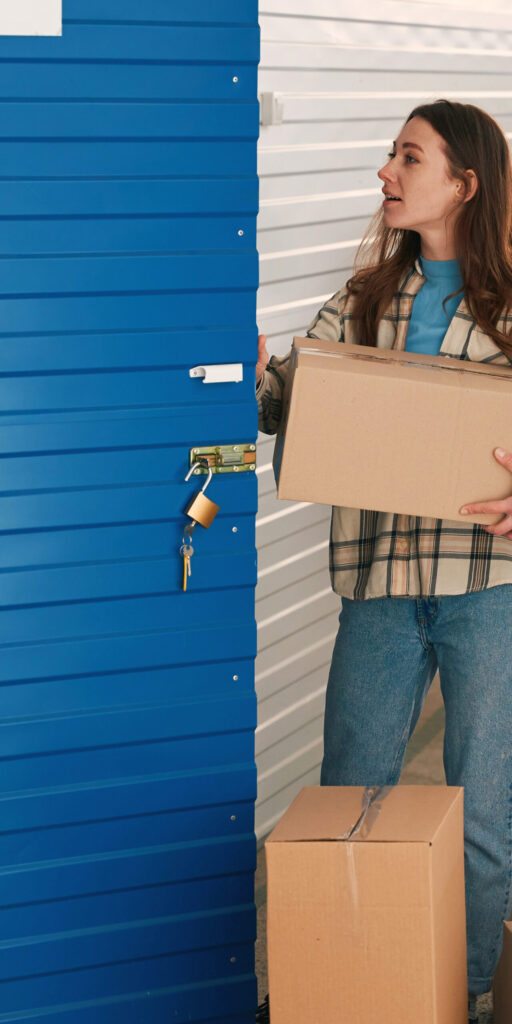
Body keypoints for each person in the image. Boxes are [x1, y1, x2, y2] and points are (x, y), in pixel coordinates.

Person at [255, 100, 512, 1024]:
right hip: (377, 590)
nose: (385, 173)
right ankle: (350, 985)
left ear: (465, 183)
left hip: (488, 591)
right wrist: (253, 375)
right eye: (391, 155)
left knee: (482, 812)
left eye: (409, 157)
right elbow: (294, 399)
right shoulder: (363, 298)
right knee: (349, 791)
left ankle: (470, 993)